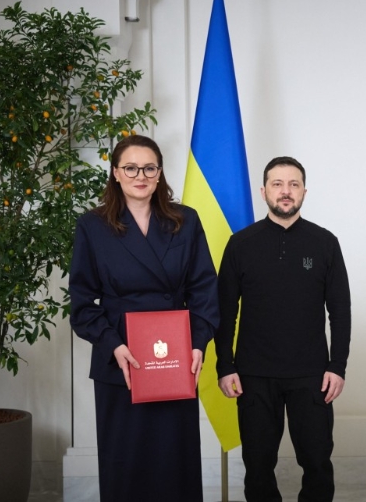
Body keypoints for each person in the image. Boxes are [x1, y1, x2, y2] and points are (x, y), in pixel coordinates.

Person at [69, 134, 219, 501]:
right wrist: (113, 344)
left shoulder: (186, 220)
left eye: (149, 167)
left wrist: (198, 343)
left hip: (175, 358)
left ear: (159, 173)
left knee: (174, 464)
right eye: (131, 168)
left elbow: (205, 290)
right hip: (121, 359)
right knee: (127, 464)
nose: (141, 175)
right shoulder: (92, 226)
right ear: (116, 174)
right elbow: (82, 303)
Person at [215, 156, 351, 502]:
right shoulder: (240, 244)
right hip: (254, 374)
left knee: (318, 462)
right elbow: (225, 311)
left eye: (293, 184)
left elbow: (340, 311)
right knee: (258, 465)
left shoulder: (325, 243)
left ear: (304, 191)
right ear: (264, 192)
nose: (286, 192)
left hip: (312, 374)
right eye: (278, 184)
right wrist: (225, 366)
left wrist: (337, 367)